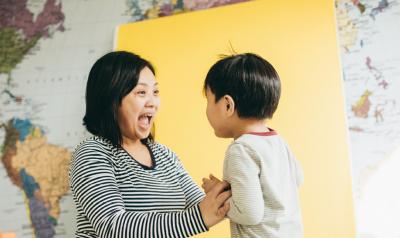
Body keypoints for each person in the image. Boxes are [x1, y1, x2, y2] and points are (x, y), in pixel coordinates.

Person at [69, 51, 231, 238]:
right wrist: (199, 216)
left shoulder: (164, 155)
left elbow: (203, 207)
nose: (153, 102)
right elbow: (112, 227)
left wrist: (225, 194)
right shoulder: (92, 153)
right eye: (141, 92)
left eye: (155, 92)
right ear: (111, 98)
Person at [202, 53, 304, 238]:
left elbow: (249, 213)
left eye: (208, 101)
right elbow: (298, 178)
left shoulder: (241, 150)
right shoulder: (277, 141)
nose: (206, 110)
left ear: (227, 106)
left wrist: (220, 197)